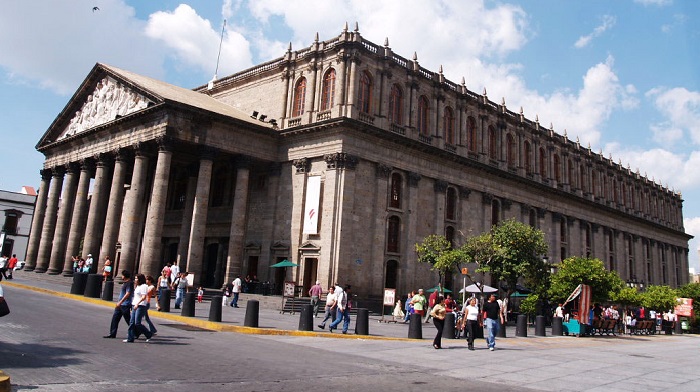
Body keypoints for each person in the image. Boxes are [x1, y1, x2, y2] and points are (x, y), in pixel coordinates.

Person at [104, 270, 133, 339]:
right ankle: (112, 333)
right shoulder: (125, 283)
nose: (122, 276)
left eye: (122, 275)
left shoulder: (129, 283)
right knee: (115, 319)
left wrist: (120, 302)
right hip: (120, 305)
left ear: (125, 276)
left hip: (125, 304)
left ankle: (138, 332)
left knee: (128, 320)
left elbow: (128, 294)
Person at [125, 274, 153, 343]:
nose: (135, 280)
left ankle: (148, 333)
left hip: (140, 306)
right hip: (134, 305)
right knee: (131, 322)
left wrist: (137, 304)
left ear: (140, 279)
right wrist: (133, 305)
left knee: (137, 323)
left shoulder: (144, 286)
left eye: (136, 278)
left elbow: (143, 297)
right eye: (135, 278)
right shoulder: (137, 286)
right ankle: (130, 338)